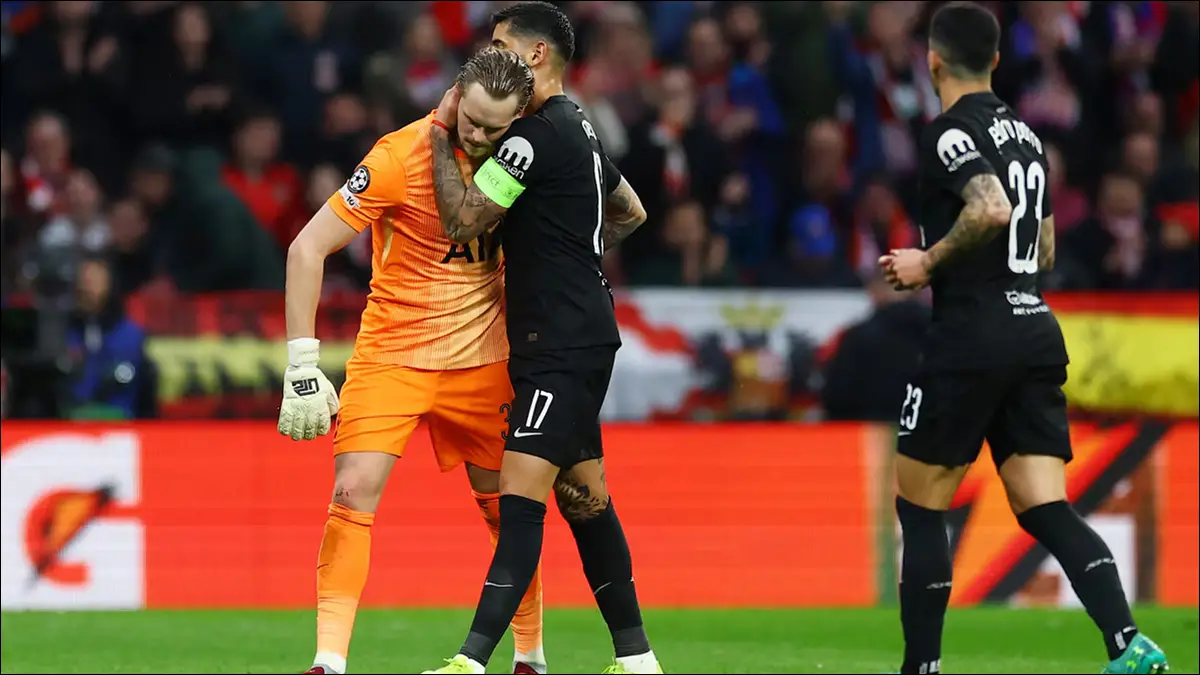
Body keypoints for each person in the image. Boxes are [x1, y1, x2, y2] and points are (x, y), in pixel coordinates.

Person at [881, 3, 1170, 674]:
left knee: (920, 508)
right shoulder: (1028, 139)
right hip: (1035, 325)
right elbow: (1040, 244)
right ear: (997, 62)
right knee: (1045, 505)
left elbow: (990, 208)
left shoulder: (948, 133)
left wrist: (929, 262)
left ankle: (920, 668)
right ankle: (1128, 642)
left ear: (932, 60)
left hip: (970, 333)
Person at [278, 47, 566, 675]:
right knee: (351, 492)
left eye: (498, 128)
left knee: (507, 513)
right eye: (473, 123)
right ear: (456, 97)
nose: (482, 136)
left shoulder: (529, 159)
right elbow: (306, 249)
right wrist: (302, 361)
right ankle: (328, 662)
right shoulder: (395, 158)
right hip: (392, 356)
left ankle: (530, 658)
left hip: (485, 362)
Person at [422, 3, 658, 674]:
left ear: (534, 57)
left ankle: (471, 660)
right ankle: (637, 657)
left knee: (520, 501)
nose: (486, 57)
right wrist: (570, 253)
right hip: (578, 332)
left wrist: (442, 133)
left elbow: (464, 222)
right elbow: (631, 211)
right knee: (586, 499)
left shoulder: (529, 139)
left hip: (558, 343)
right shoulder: (579, 122)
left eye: (499, 45)